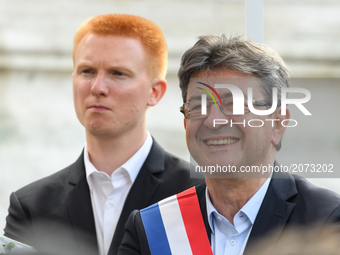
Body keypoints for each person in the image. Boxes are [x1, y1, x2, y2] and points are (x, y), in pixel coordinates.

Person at [118, 35, 340, 255]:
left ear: (278, 123)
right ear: (186, 123)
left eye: (233, 103)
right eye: (198, 106)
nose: (213, 121)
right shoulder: (150, 229)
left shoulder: (326, 222)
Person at [4, 14, 201, 255]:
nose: (97, 87)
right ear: (73, 79)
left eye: (118, 73)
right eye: (87, 71)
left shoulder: (198, 192)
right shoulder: (31, 205)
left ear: (155, 92)